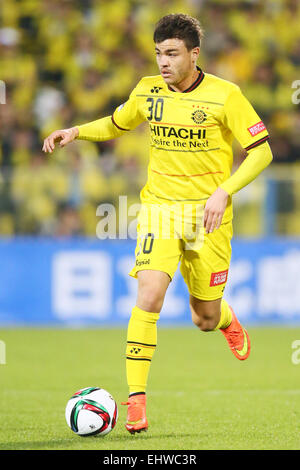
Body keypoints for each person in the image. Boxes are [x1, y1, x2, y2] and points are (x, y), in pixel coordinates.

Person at [43, 13, 273, 434]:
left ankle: (224, 318)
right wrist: (75, 131)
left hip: (209, 216)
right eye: (158, 54)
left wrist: (225, 190)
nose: (163, 62)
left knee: (202, 317)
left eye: (171, 54)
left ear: (194, 54)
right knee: (149, 292)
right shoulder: (147, 90)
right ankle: (135, 402)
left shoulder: (226, 96)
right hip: (160, 212)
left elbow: (261, 152)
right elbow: (116, 124)